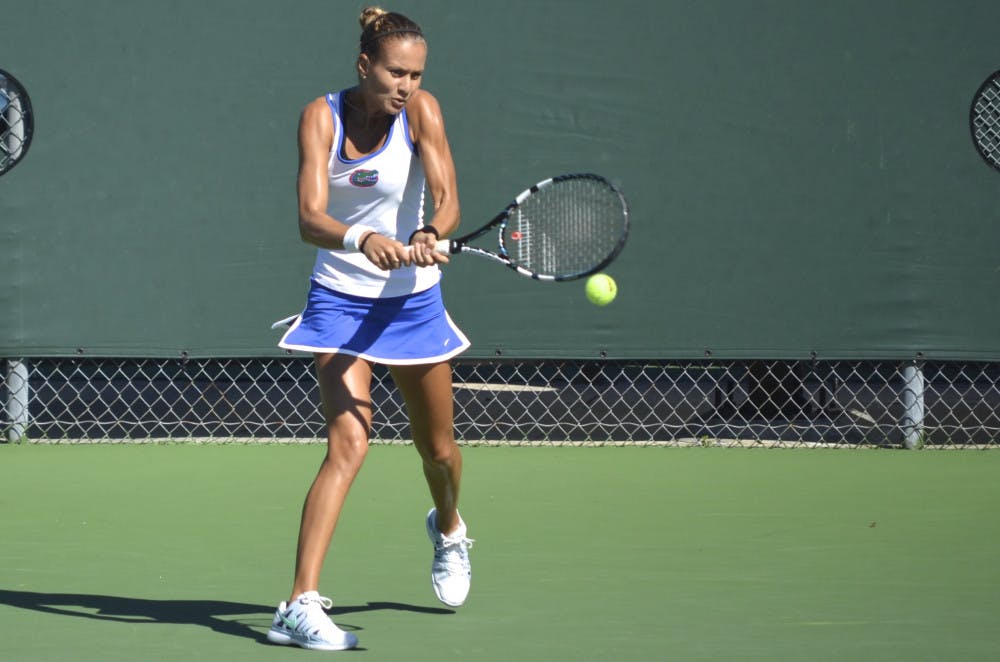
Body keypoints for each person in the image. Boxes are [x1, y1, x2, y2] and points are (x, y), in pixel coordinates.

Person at [266, 7, 473, 652]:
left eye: (416, 74)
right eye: (395, 72)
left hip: (412, 304)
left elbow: (447, 196)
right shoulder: (320, 117)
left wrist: (427, 233)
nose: (406, 85)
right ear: (364, 65)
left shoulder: (423, 113)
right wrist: (363, 236)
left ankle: (449, 529)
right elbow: (309, 217)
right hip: (339, 300)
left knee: (437, 451)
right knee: (349, 443)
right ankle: (298, 604)